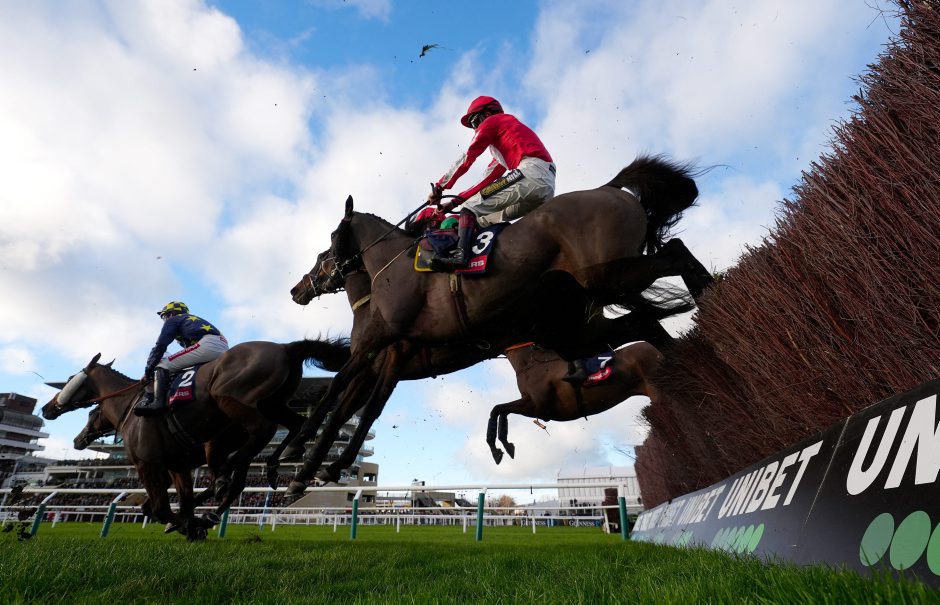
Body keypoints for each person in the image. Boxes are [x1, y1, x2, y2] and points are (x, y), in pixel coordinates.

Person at [427, 95, 556, 270]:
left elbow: (467, 157)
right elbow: (485, 181)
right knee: (481, 219)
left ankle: (460, 257)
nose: (475, 129)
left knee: (469, 209)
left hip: (530, 173)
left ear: (486, 114)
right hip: (544, 186)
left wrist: (440, 187)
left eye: (474, 122)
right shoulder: (504, 143)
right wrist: (454, 202)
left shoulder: (493, 121)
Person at [134, 301, 229, 417]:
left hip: (209, 345)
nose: (164, 320)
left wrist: (148, 371)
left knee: (162, 365)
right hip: (223, 347)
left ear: (171, 314)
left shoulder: (173, 320)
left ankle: (157, 404)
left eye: (164, 316)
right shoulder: (190, 321)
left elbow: (160, 345)